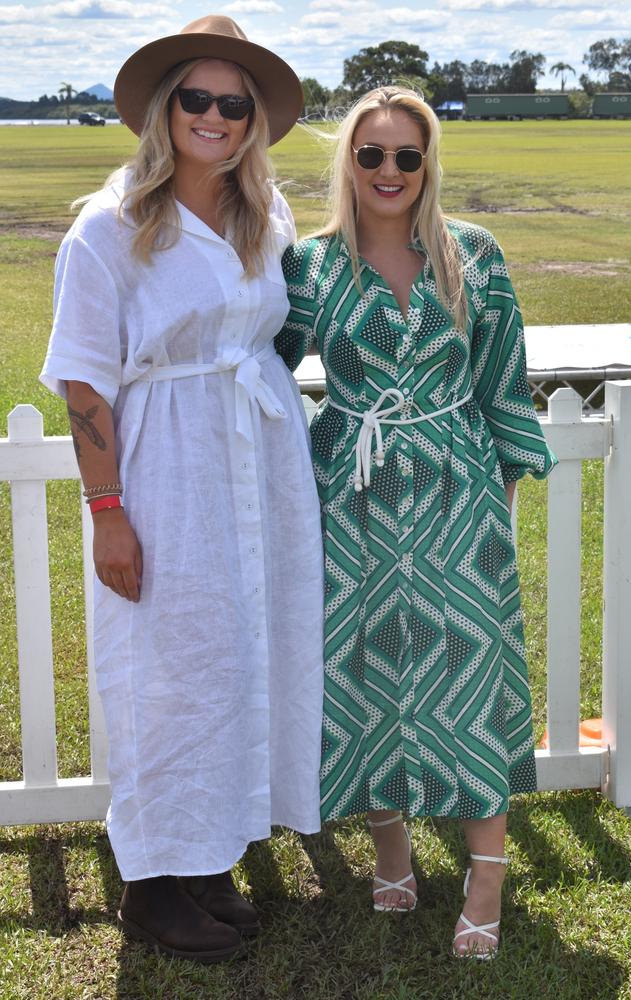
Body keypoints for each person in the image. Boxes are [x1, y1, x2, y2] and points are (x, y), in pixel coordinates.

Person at [40, 15, 324, 964]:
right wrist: (109, 513)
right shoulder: (109, 226)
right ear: (167, 110)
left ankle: (206, 862)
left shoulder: (263, 216)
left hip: (256, 460)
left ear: (252, 122)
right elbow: (84, 382)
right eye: (196, 98)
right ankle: (152, 887)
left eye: (232, 103)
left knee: (239, 657)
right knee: (166, 672)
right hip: (166, 467)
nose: (214, 115)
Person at [276, 86, 556, 959]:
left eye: (407, 155)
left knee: (472, 671)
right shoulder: (312, 268)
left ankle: (487, 872)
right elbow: (258, 373)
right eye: (371, 156)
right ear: (347, 166)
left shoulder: (472, 254)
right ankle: (389, 846)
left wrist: (501, 499)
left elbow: (505, 382)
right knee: (362, 670)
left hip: (455, 491)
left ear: (429, 161)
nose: (390, 170)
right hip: (349, 495)